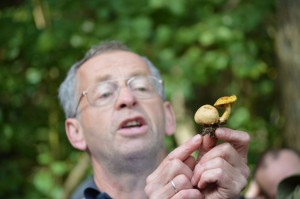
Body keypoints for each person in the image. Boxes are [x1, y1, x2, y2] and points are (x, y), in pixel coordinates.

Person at [58, 40, 250, 199]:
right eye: (105, 93)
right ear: (76, 132)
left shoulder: (220, 193)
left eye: (141, 87)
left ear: (168, 117)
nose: (127, 99)